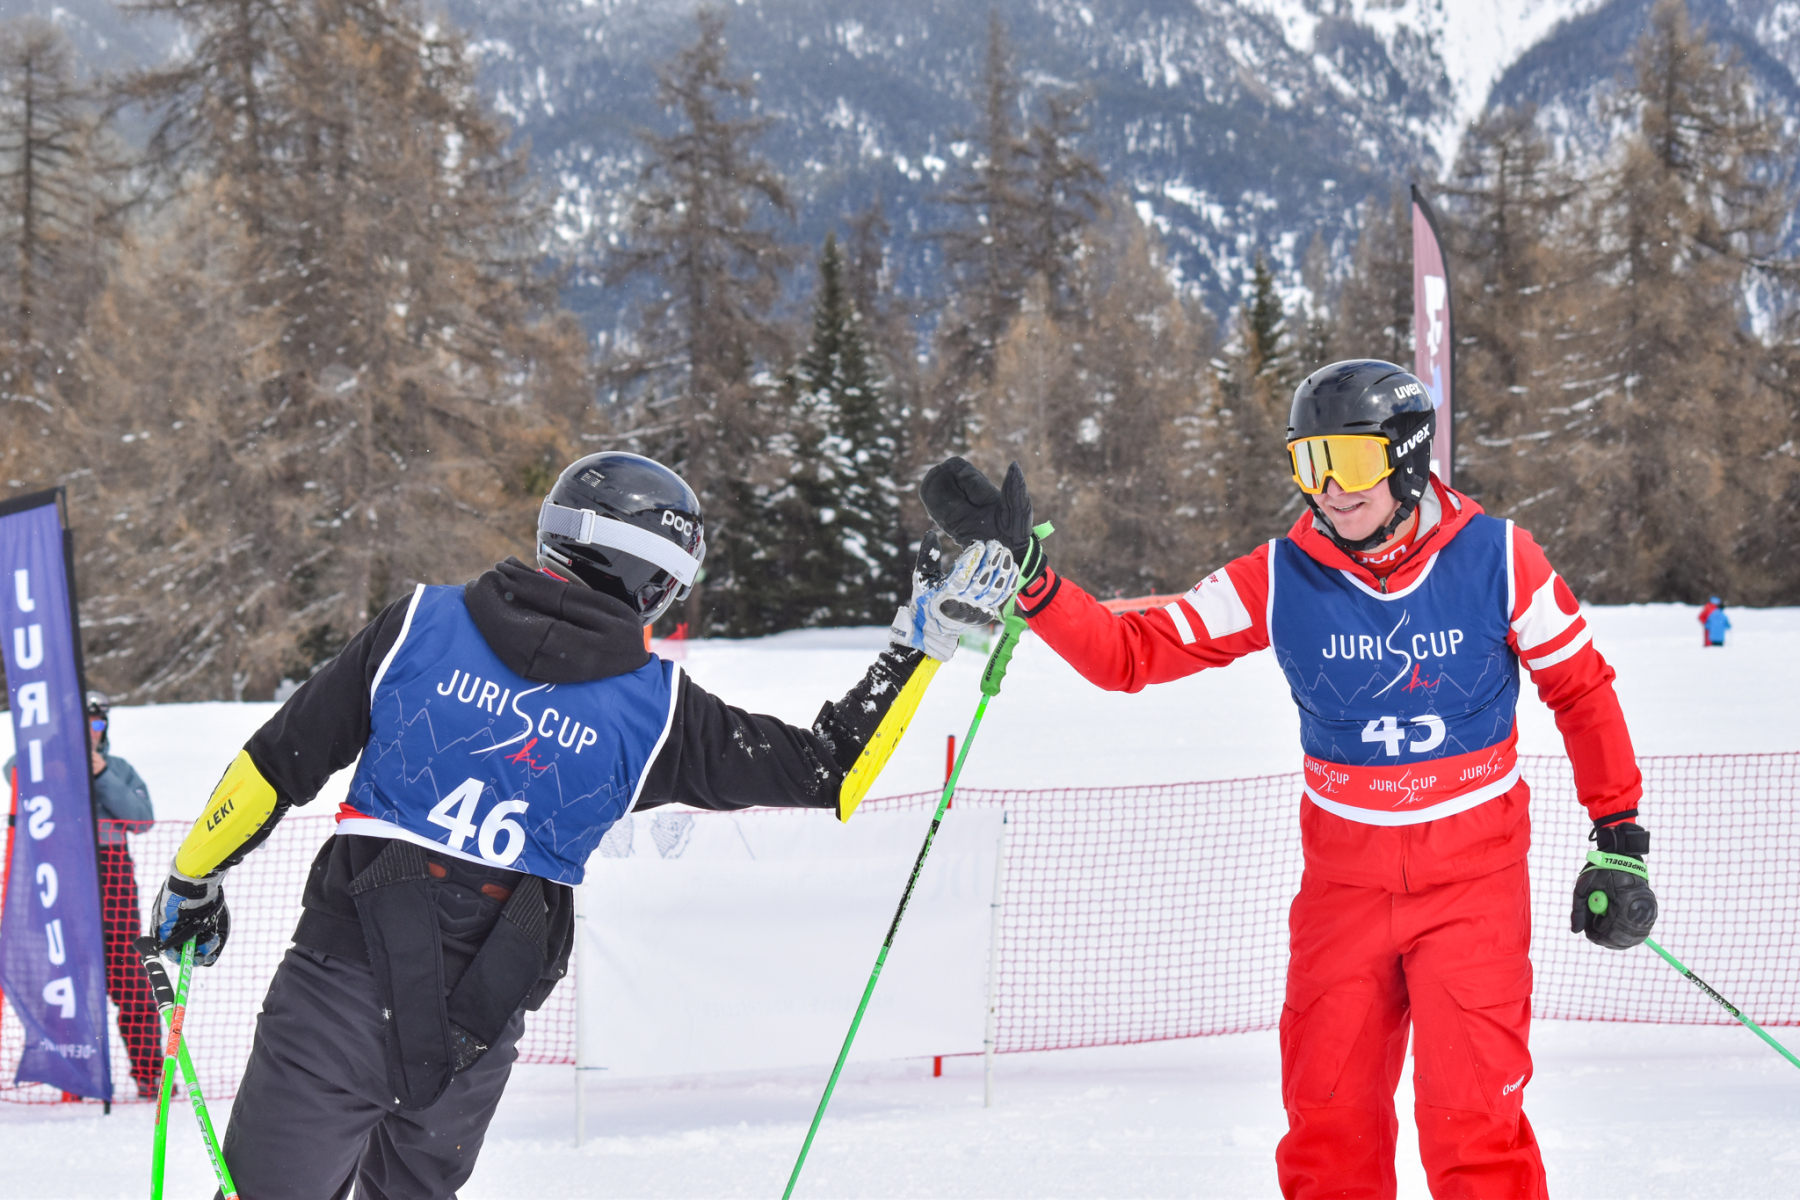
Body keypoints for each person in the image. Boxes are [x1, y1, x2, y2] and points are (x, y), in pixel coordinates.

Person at [147, 451, 1017, 1200]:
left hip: (337, 993)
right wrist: (919, 643)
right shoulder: (656, 712)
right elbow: (832, 769)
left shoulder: (417, 626)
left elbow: (274, 765)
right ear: (653, 581)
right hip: (477, 1019)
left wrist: (193, 879)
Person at [920, 360, 1659, 1200]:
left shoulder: (1499, 559)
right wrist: (1031, 575)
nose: (1331, 490)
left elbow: (1582, 689)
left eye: (1352, 461)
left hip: (1472, 888)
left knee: (1474, 1126)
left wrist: (1619, 836)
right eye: (1311, 463)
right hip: (1345, 892)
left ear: (1407, 457)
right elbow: (1131, 653)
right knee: (1329, 1127)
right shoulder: (1280, 577)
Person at [6, 692, 162, 1097]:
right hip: (61, 878)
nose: (92, 731)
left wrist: (102, 774)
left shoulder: (119, 768)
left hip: (113, 880)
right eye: (83, 724)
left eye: (97, 723)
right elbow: (13, 770)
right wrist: (57, 759)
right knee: (67, 978)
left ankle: (150, 1073)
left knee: (129, 978)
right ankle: (71, 1074)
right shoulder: (49, 762)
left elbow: (141, 819)